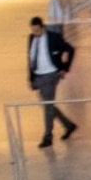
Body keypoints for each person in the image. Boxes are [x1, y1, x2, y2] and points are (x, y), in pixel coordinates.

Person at [26, 15, 76, 147]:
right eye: (33, 31)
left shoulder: (54, 38)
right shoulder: (31, 38)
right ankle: (68, 125)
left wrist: (65, 68)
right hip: (38, 76)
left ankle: (47, 137)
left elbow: (70, 49)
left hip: (50, 75)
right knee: (47, 105)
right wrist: (31, 78)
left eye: (37, 31)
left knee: (48, 106)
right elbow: (30, 58)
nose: (35, 33)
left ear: (43, 28)